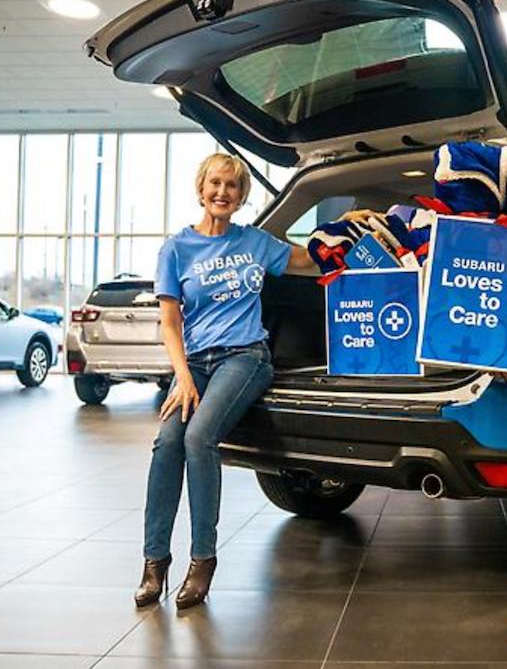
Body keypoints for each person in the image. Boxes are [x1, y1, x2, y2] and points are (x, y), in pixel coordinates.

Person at [133, 152, 376, 610]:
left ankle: (202, 560)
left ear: (242, 196)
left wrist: (345, 227)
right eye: (215, 183)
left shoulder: (254, 242)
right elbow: (170, 323)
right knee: (167, 444)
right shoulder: (176, 249)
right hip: (195, 364)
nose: (222, 192)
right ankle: (154, 561)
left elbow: (309, 261)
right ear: (201, 189)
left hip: (245, 357)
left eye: (232, 186)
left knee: (200, 438)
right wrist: (182, 377)